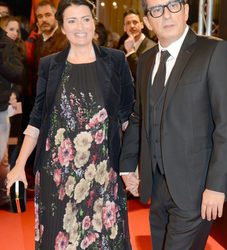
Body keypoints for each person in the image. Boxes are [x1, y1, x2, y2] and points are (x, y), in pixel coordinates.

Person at [6, 0, 134, 249]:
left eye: (85, 19)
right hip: (58, 173)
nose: (80, 26)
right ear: (62, 27)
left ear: (93, 22)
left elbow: (127, 116)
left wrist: (133, 164)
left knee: (105, 240)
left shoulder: (115, 61)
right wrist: (19, 165)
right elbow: (37, 119)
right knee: (59, 240)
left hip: (103, 172)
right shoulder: (50, 65)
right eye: (72, 20)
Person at [119, 0, 227, 249]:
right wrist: (128, 165)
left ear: (186, 10)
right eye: (156, 10)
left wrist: (216, 186)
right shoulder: (145, 60)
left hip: (196, 188)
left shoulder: (214, 52)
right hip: (158, 185)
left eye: (172, 5)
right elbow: (138, 115)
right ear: (147, 22)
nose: (165, 15)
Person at [0, 25, 24, 207]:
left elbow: (18, 74)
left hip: (4, 106)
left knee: (4, 155)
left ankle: (4, 194)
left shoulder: (6, 45)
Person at [121, 8, 156, 81]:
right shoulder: (121, 49)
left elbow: (144, 74)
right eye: (128, 23)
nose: (132, 26)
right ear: (124, 28)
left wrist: (130, 52)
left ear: (142, 25)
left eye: (135, 22)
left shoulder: (152, 47)